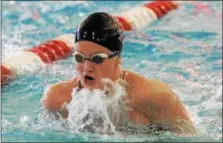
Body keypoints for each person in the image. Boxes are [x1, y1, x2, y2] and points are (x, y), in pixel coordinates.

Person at [42, 12, 197, 135]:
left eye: (97, 59)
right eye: (79, 58)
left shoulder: (153, 97)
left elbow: (191, 138)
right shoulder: (57, 100)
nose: (87, 67)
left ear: (118, 59)